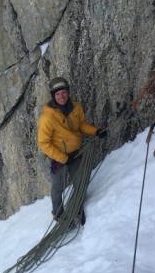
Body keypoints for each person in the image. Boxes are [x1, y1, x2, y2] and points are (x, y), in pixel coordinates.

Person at [36, 76, 107, 222]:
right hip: (60, 158)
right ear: (53, 96)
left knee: (81, 181)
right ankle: (58, 213)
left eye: (63, 92)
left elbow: (81, 125)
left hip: (76, 153)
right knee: (58, 187)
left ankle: (77, 207)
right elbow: (44, 143)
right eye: (57, 94)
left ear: (67, 92)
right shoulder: (47, 117)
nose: (61, 96)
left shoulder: (76, 108)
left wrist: (96, 131)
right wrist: (63, 158)